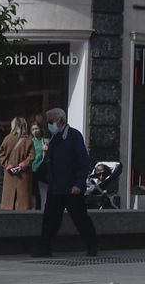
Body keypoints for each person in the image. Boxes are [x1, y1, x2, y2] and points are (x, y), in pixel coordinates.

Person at [34, 108, 97, 258]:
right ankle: (44, 248)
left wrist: (78, 183)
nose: (48, 125)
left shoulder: (74, 136)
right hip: (55, 188)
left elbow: (83, 162)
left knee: (80, 218)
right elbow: (48, 162)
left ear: (60, 120)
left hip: (71, 188)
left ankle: (92, 246)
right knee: (50, 220)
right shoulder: (55, 138)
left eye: (50, 121)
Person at [0, 116, 35, 210]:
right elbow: (31, 157)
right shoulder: (28, 140)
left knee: (8, 204)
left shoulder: (7, 138)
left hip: (9, 175)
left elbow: (1, 155)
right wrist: (21, 166)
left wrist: (9, 166)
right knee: (23, 204)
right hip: (23, 176)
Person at [30, 114, 48, 208]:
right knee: (33, 193)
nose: (35, 131)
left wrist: (46, 151)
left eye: (36, 128)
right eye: (33, 129)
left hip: (42, 171)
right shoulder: (30, 141)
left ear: (40, 129)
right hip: (32, 170)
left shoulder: (45, 141)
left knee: (42, 194)